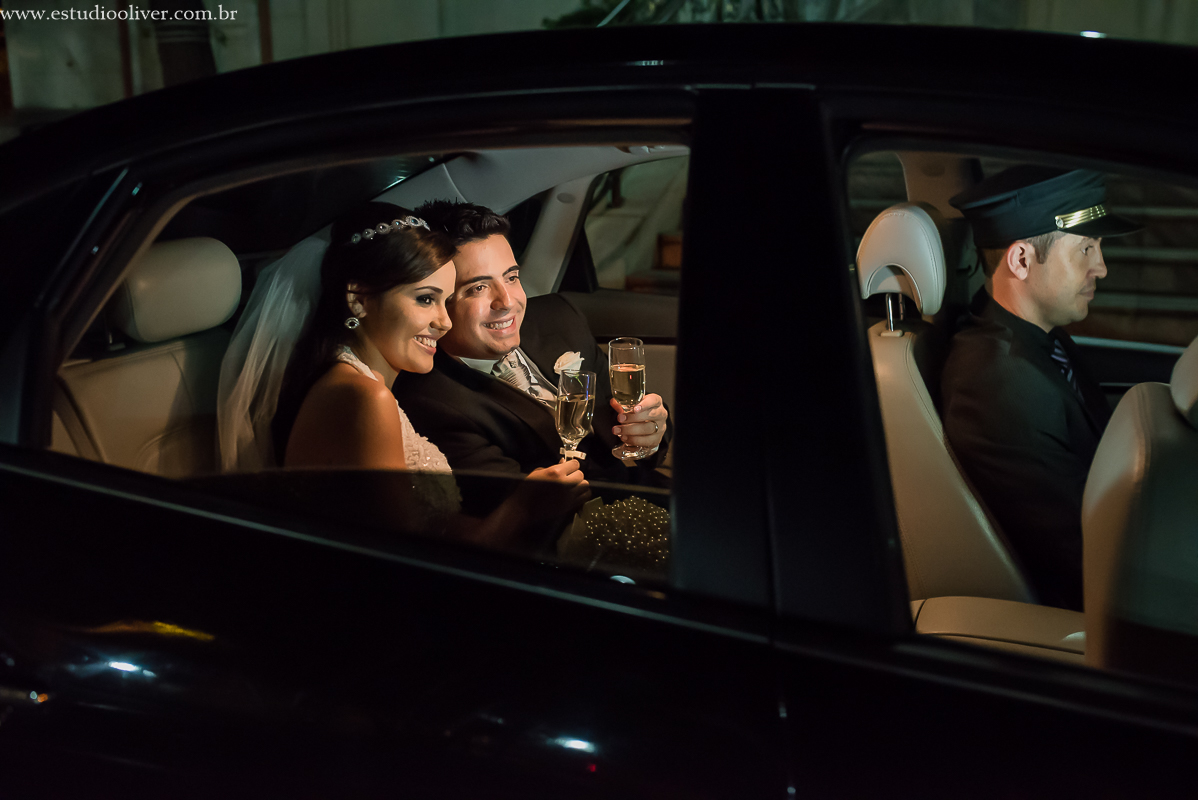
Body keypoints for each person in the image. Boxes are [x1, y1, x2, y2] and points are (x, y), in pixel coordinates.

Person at [216, 202, 587, 549]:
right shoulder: (363, 398)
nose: (443, 322)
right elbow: (411, 554)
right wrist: (521, 508)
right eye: (425, 299)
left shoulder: (357, 386)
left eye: (445, 300)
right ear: (358, 299)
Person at [392, 200, 672, 515]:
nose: (507, 302)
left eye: (511, 277)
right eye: (478, 287)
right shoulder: (432, 402)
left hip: (660, 492)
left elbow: (625, 425)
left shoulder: (558, 316)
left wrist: (649, 435)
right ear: (438, 298)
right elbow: (524, 511)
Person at [941, 167, 1139, 610]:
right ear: (1022, 261)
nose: (1101, 267)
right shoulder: (1000, 385)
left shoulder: (1038, 335)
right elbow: (1083, 555)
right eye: (1086, 248)